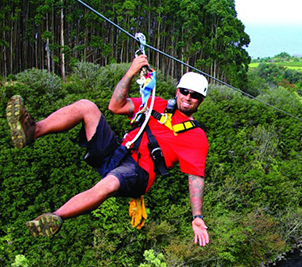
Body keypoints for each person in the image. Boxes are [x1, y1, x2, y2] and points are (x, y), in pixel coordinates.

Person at [5, 55, 210, 246]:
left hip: (140, 172)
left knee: (108, 184)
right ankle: (33, 131)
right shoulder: (156, 104)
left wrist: (197, 217)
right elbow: (116, 106)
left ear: (200, 101)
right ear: (177, 90)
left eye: (194, 95)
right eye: (185, 91)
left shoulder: (196, 136)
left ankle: (56, 217)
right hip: (119, 152)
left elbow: (195, 178)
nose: (188, 97)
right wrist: (130, 73)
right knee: (86, 107)